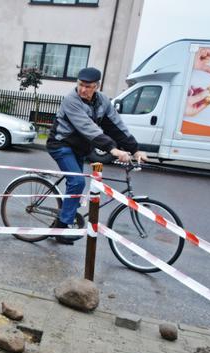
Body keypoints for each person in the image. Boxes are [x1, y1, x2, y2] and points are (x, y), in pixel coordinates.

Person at [46, 67, 148, 245]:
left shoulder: (102, 102)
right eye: (80, 85)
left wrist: (135, 149)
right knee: (77, 183)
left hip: (78, 148)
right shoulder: (71, 100)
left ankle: (63, 218)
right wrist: (113, 150)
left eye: (88, 86)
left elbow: (115, 126)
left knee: (77, 185)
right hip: (61, 144)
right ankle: (61, 229)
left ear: (97, 86)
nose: (83, 90)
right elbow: (88, 128)